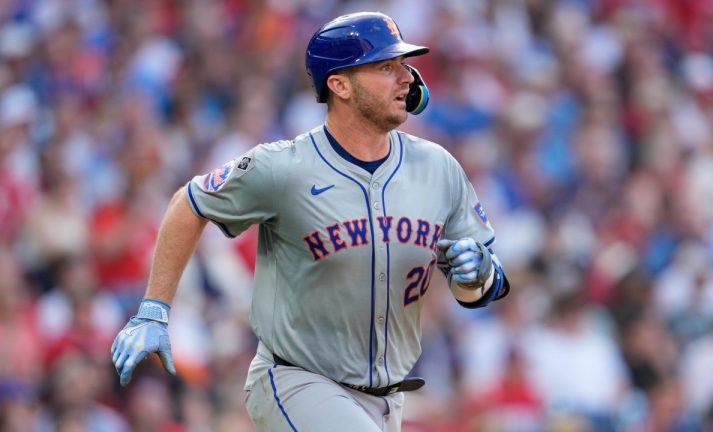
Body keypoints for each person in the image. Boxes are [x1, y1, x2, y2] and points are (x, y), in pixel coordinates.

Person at [111, 11, 509, 431]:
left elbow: (480, 289)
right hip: (296, 381)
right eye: (386, 67)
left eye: (404, 65)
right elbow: (188, 204)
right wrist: (154, 309)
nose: (407, 77)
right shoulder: (284, 167)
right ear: (340, 85)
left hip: (386, 400)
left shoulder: (438, 168)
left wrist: (478, 273)